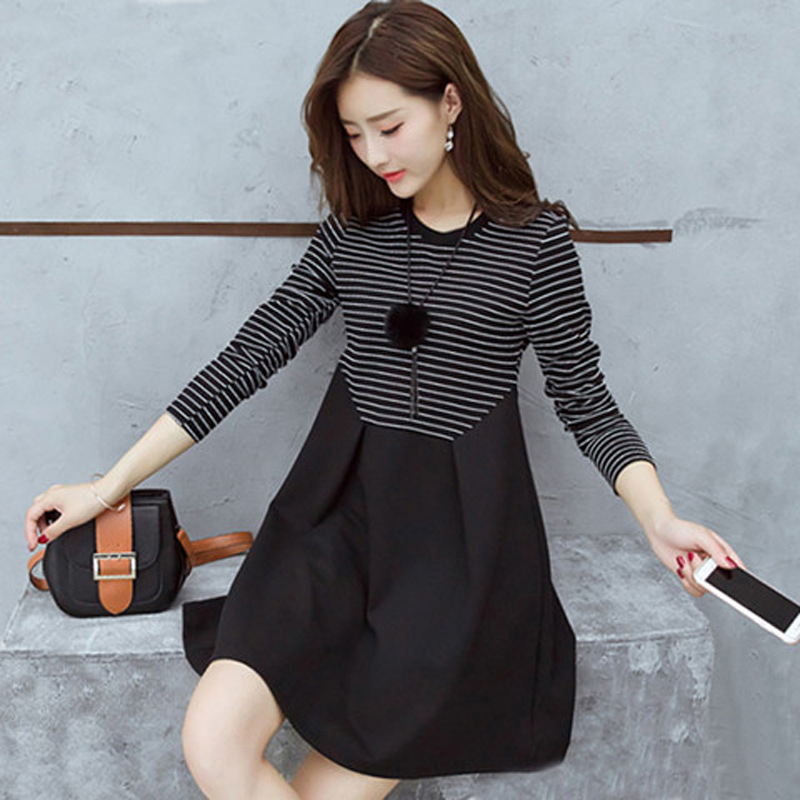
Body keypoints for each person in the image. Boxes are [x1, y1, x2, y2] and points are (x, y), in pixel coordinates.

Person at [24, 2, 745, 798]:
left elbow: (587, 403)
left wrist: (659, 520)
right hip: (331, 525)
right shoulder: (353, 234)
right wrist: (105, 488)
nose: (372, 154)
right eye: (354, 134)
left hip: (457, 553)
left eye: (389, 126)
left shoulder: (535, 245)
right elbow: (244, 361)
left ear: (451, 102)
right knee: (213, 742)